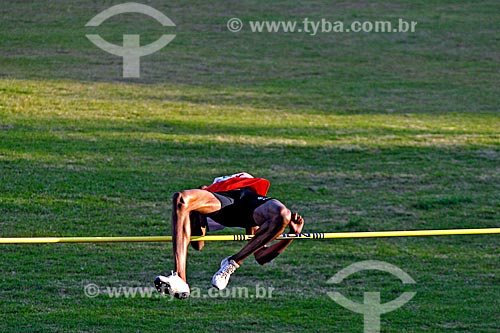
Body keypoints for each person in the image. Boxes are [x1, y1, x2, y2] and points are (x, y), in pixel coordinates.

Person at [154, 172, 305, 299]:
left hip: (250, 200)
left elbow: (261, 256)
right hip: (222, 199)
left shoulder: (250, 216)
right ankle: (180, 279)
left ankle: (232, 263)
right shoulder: (207, 210)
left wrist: (292, 235)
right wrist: (195, 212)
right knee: (181, 198)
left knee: (283, 215)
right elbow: (198, 244)